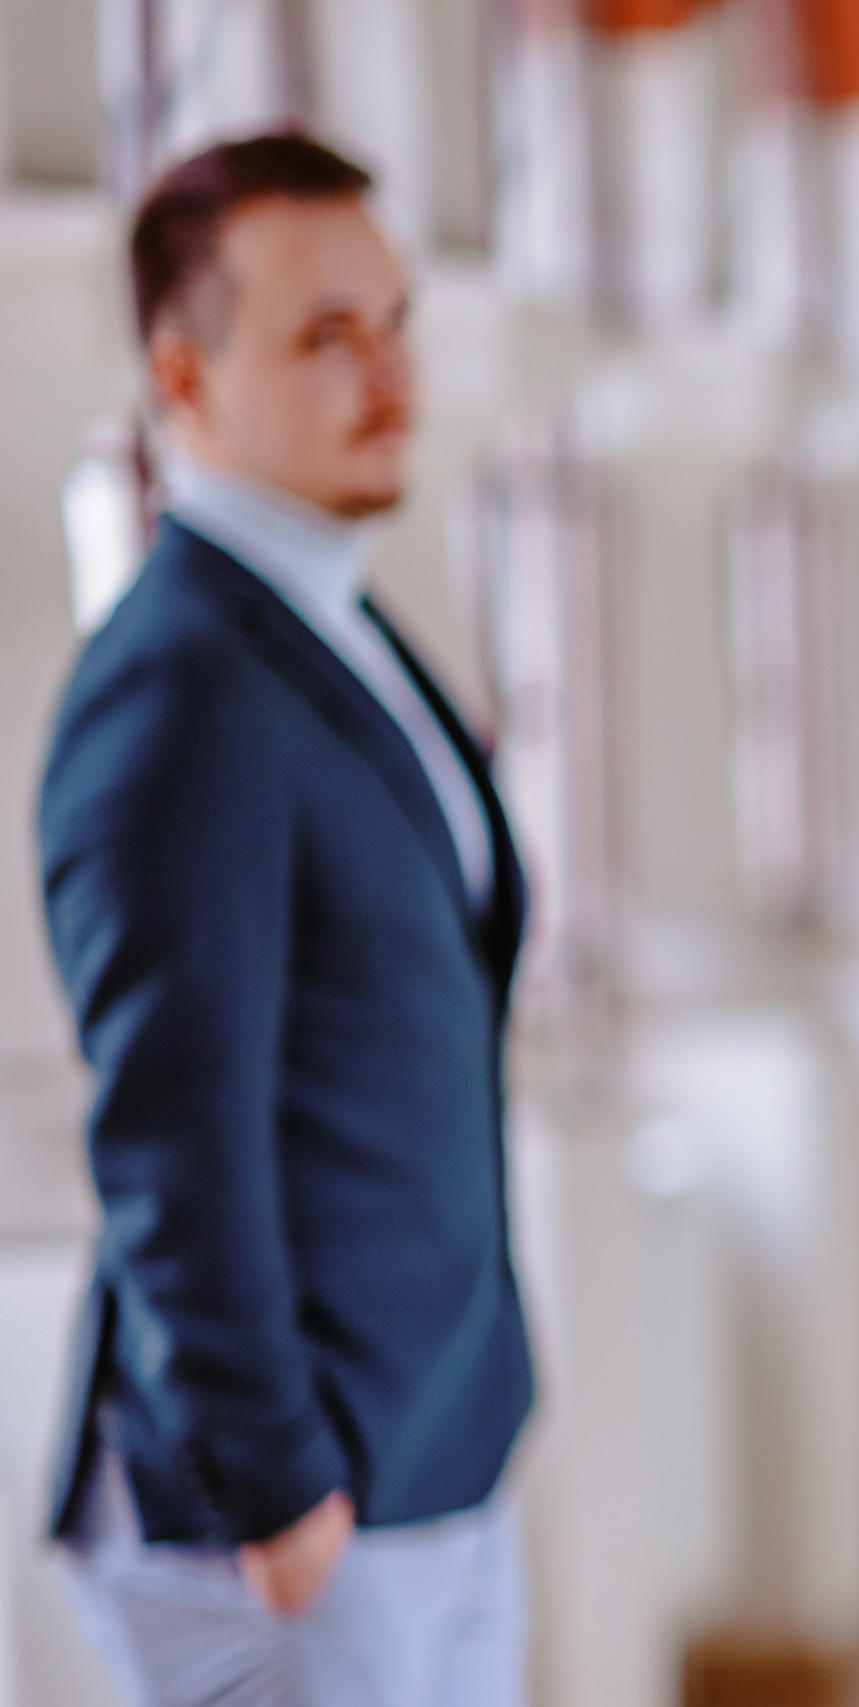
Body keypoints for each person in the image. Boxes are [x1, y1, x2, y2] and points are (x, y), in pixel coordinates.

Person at [37, 132, 533, 1706]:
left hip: (433, 1454)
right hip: (290, 1521)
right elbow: (171, 1129)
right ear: (183, 378)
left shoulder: (339, 624)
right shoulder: (177, 687)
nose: (390, 376)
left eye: (395, 322)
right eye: (326, 338)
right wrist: (275, 1485)